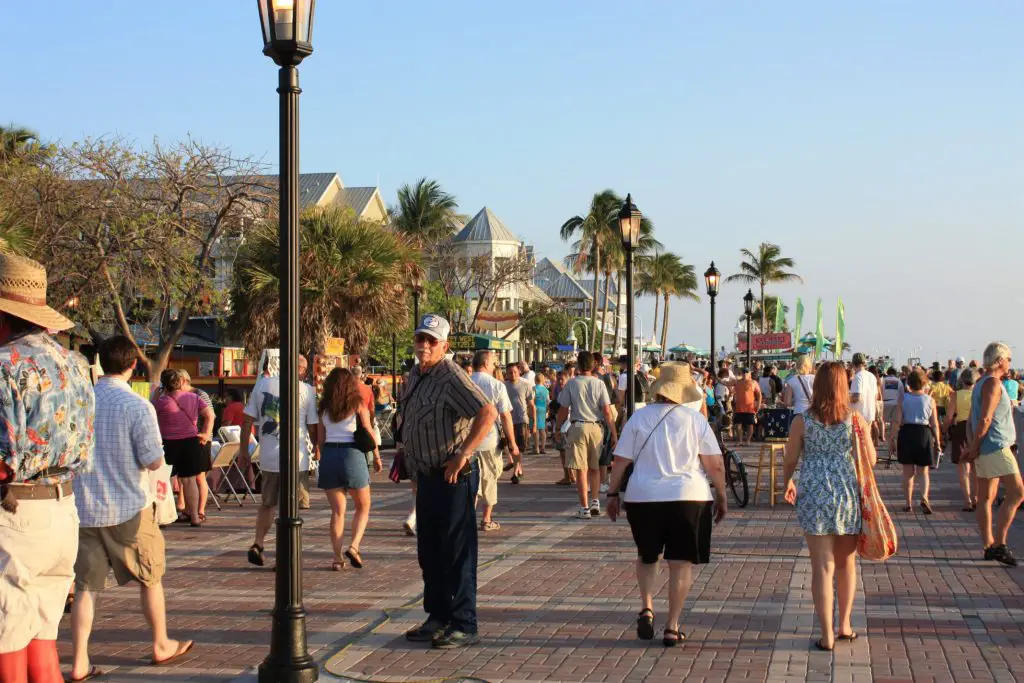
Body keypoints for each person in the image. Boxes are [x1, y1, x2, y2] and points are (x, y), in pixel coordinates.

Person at [70, 336, 193, 681]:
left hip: (85, 506)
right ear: (133, 365)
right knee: (150, 578)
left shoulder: (81, 402)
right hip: (128, 505)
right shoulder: (138, 406)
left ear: (100, 362)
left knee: (85, 587)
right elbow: (154, 460)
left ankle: (79, 661)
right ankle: (161, 642)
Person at [0, 254, 95, 683]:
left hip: (15, 515)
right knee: (42, 642)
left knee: (8, 649)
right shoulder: (74, 363)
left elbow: (4, 459)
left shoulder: (5, 366)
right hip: (62, 512)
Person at [605, 362, 726, 647]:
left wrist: (612, 494)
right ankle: (672, 626)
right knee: (680, 564)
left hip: (643, 497)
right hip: (689, 496)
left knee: (648, 555)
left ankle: (647, 606)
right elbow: (715, 464)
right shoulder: (695, 420)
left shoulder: (638, 418)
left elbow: (620, 460)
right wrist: (721, 496)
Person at [399, 315, 496, 649]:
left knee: (457, 552)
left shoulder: (451, 375)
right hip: (426, 477)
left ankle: (464, 622)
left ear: (444, 346)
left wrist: (464, 454)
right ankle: (437, 616)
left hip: (451, 476)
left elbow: (487, 413)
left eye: (431, 340)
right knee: (430, 551)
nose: (424, 345)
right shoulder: (416, 374)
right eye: (420, 338)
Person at [782, 362, 876, 652]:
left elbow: (790, 459)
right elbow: (870, 459)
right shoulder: (855, 419)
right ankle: (845, 624)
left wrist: (787, 481)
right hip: (846, 492)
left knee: (822, 566)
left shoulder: (802, 421)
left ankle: (827, 635)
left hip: (813, 493)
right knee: (847, 563)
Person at [241, 355, 319, 568]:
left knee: (268, 504)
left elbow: (247, 420)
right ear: (301, 369)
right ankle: (284, 556)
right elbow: (312, 426)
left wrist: (243, 451)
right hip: (297, 459)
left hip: (269, 457)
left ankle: (258, 543)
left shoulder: (262, 384)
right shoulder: (306, 390)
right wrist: (316, 447)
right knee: (292, 510)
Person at [317, 367, 382, 571]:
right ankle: (354, 547)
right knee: (363, 505)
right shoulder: (357, 404)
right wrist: (377, 456)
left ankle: (337, 558)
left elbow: (320, 439)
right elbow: (369, 431)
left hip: (330, 454)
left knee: (338, 512)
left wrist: (324, 457)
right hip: (352, 454)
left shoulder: (324, 408)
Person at [965, 342, 1023, 566]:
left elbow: (973, 418)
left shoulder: (980, 383)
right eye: (1008, 358)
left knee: (986, 498)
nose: (1010, 362)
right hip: (996, 446)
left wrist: (973, 445)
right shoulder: (993, 383)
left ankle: (989, 544)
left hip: (985, 448)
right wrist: (974, 446)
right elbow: (985, 418)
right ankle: (1000, 544)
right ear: (1000, 360)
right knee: (1017, 493)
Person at [555, 351, 618, 519]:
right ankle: (595, 501)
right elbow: (607, 410)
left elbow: (563, 409)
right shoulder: (599, 384)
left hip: (578, 426)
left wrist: (558, 428)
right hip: (596, 428)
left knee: (581, 470)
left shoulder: (572, 384)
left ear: (578, 365)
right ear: (593, 365)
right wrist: (614, 433)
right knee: (595, 468)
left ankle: (584, 507)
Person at [153, 369, 215, 526]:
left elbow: (150, 415)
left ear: (164, 384)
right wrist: (206, 433)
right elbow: (210, 415)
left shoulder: (160, 402)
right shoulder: (194, 397)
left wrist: (155, 395)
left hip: (168, 443)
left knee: (165, 479)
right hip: (191, 442)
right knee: (189, 480)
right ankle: (194, 516)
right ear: (180, 382)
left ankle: (163, 516)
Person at [469, 350, 518, 531]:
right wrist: (512, 443)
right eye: (494, 362)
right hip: (489, 440)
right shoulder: (497, 385)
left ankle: (468, 517)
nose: (495, 366)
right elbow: (505, 416)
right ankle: (486, 519)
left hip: (467, 442)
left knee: (470, 479)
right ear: (486, 363)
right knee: (489, 477)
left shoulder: (465, 382)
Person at [891, 368, 940, 513]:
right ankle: (924, 497)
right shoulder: (930, 400)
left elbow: (896, 420)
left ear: (908, 384)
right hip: (924, 433)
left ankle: (908, 503)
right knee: (923, 471)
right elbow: (935, 423)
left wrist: (892, 438)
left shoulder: (903, 399)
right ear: (925, 383)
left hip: (907, 432)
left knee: (907, 472)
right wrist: (938, 441)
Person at [945, 368, 977, 511]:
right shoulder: (978, 395)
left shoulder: (956, 395)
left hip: (961, 428)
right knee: (976, 466)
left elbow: (949, 416)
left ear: (961, 380)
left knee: (963, 466)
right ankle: (976, 497)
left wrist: (943, 430)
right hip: (976, 428)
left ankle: (968, 500)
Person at [503, 363, 534, 483]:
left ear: (519, 371)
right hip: (508, 420)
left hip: (522, 419)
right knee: (512, 446)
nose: (513, 374)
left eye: (515, 372)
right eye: (510, 372)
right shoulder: (503, 386)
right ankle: (519, 470)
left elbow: (531, 405)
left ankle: (516, 470)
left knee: (519, 448)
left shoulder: (526, 384)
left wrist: (533, 423)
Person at [732, 369, 762, 447]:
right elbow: (726, 383)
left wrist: (758, 405)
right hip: (739, 407)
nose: (745, 374)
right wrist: (718, 378)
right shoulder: (737, 382)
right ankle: (740, 441)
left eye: (746, 372)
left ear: (749, 374)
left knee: (750, 425)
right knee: (738, 425)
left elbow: (759, 395)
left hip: (750, 407)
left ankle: (748, 441)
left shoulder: (754, 382)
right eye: (743, 372)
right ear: (741, 373)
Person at [782, 354, 815, 422]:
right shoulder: (815, 379)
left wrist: (796, 401)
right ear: (809, 366)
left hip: (798, 413)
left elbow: (787, 403)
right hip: (812, 414)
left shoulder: (791, 381)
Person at [881, 368, 904, 437]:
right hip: (896, 403)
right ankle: (892, 436)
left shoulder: (883, 380)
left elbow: (880, 391)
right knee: (894, 422)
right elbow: (902, 394)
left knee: (883, 421)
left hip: (885, 403)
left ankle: (882, 435)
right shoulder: (898, 381)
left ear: (887, 373)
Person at [532, 373, 549, 454]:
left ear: (535, 380)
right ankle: (543, 447)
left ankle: (536, 448)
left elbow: (532, 399)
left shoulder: (534, 388)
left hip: (535, 408)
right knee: (542, 429)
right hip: (543, 409)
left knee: (536, 429)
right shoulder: (546, 390)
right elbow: (548, 400)